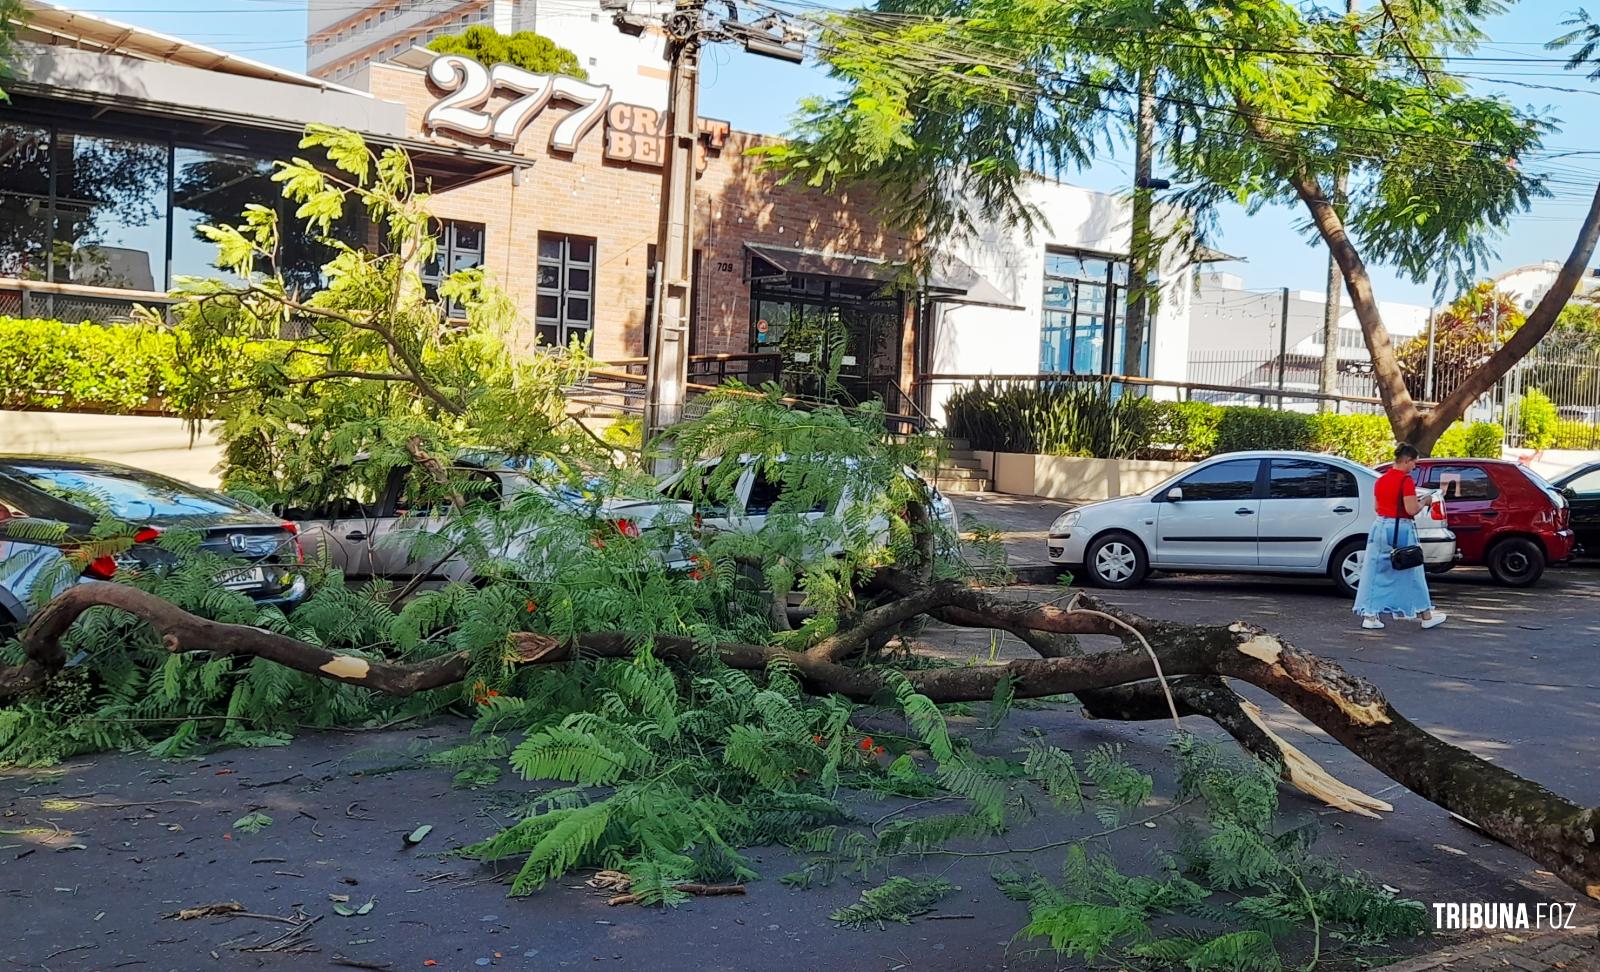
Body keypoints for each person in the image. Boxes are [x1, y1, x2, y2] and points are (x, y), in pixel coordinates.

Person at [1354, 443, 1446, 630]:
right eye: (1414, 462)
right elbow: (1411, 509)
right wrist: (1426, 501)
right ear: (1406, 460)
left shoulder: (1380, 480)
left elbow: (1377, 508)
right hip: (1401, 528)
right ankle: (1425, 615)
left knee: (1375, 571)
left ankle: (1370, 615)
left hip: (1380, 527)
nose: (1414, 466)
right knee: (1413, 573)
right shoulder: (1406, 482)